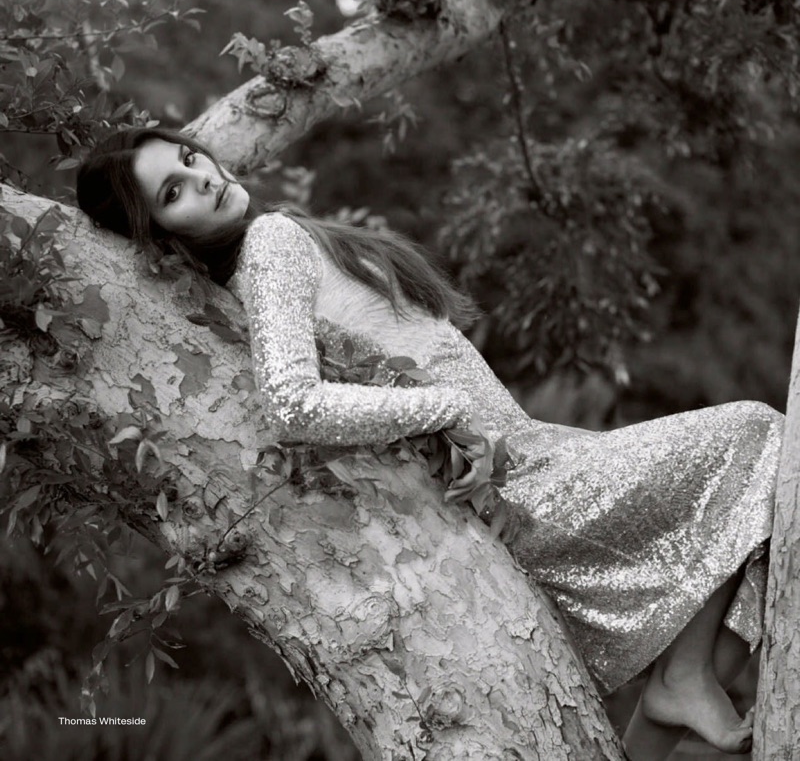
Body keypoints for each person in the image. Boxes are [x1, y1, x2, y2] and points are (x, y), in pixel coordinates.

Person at [76, 126, 783, 760]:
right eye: (174, 190)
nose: (201, 176)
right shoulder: (270, 244)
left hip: (512, 469)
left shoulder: (260, 265)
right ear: (160, 234)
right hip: (515, 482)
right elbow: (292, 402)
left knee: (721, 552)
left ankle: (678, 687)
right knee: (756, 436)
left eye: (191, 158)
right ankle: (683, 677)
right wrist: (447, 407)